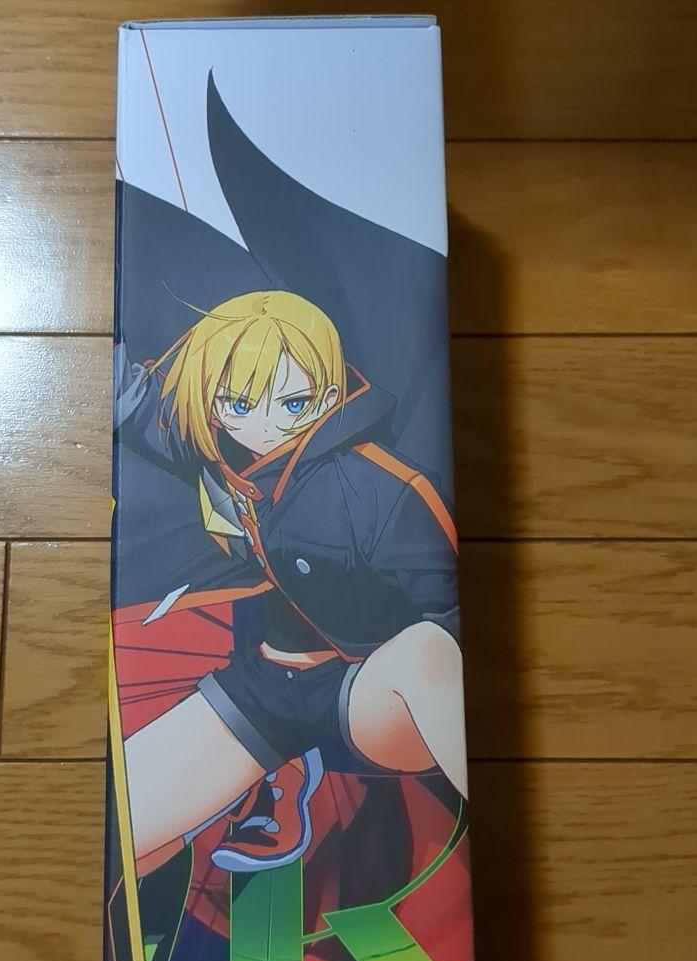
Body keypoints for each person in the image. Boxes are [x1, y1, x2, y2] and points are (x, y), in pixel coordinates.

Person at [119, 290, 466, 876]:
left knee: (429, 652)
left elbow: (452, 625)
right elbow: (132, 400)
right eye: (240, 403)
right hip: (271, 684)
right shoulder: (215, 445)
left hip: (367, 693)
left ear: (328, 398)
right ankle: (278, 775)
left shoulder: (381, 488)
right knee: (121, 818)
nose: (265, 425)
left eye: (294, 403)